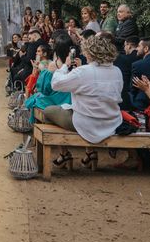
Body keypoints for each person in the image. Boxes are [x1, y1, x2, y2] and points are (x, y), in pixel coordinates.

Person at [44, 35, 123, 168]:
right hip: (111, 122)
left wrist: (65, 66)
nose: (83, 53)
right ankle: (90, 154)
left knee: (48, 111)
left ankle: (64, 154)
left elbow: (56, 84)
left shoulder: (84, 71)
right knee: (70, 108)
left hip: (86, 123)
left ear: (91, 52)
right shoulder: (117, 71)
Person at [25, 33, 72, 115]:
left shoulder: (53, 65)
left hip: (55, 101)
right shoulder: (76, 64)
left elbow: (44, 89)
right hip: (71, 100)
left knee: (36, 97)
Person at [129, 37, 150, 111]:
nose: (136, 49)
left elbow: (133, 89)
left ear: (146, 49)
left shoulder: (137, 65)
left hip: (141, 104)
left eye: (139, 46)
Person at [113, 36, 140, 110]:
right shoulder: (142, 57)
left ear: (129, 45)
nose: (124, 48)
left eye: (125, 45)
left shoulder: (123, 59)